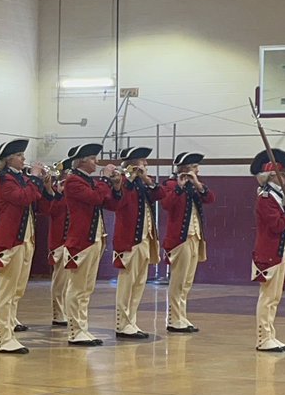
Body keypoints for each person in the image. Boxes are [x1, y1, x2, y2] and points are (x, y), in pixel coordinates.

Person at [0, 140, 52, 354]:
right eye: (19, 155)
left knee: (17, 290)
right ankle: (2, 338)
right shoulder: (4, 179)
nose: (24, 159)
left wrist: (45, 185)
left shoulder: (20, 178)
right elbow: (23, 197)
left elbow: (39, 201)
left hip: (25, 240)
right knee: (6, 292)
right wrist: (35, 178)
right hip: (9, 241)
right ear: (8, 159)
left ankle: (10, 331)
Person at [63, 143, 124, 346]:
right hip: (81, 241)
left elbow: (111, 205)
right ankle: (74, 331)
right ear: (81, 161)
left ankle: (82, 328)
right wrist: (105, 179)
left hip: (95, 239)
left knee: (87, 288)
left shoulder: (89, 181)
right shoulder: (73, 181)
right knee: (77, 288)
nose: (96, 162)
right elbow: (96, 197)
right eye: (92, 159)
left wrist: (115, 186)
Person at [250, 148, 285, 353]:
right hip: (269, 252)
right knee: (268, 297)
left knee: (275, 297)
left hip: (279, 251)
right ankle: (263, 338)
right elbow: (276, 225)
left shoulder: (277, 197)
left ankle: (270, 334)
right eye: (283, 174)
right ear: (273, 175)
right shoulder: (266, 198)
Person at [160, 150, 215, 334]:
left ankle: (181, 316)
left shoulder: (195, 185)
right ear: (184, 168)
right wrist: (179, 187)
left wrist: (198, 184)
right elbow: (167, 204)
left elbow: (210, 198)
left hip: (195, 237)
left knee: (187, 282)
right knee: (178, 281)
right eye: (194, 167)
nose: (197, 170)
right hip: (179, 239)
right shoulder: (169, 184)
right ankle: (173, 319)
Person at [113, 146, 164, 338]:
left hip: (145, 239)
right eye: (143, 161)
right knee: (127, 283)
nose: (146, 164)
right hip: (129, 241)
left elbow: (160, 195)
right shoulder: (122, 182)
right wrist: (130, 179)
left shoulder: (143, 182)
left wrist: (146, 180)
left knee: (139, 283)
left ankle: (131, 321)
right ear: (133, 163)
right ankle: (121, 324)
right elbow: (118, 202)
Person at [46, 161, 71, 327]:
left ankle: (67, 312)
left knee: (70, 282)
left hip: (73, 241)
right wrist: (55, 193)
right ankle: (58, 314)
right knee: (60, 281)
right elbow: (53, 211)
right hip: (59, 241)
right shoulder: (56, 192)